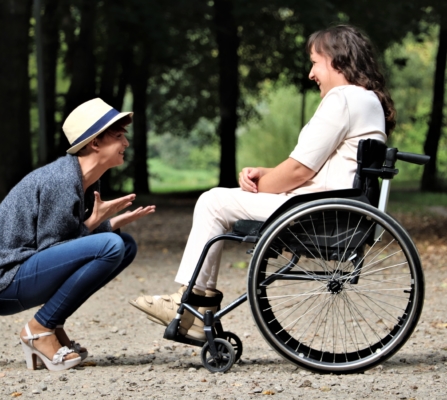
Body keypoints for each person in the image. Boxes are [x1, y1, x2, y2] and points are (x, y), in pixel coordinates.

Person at [130, 24, 395, 340]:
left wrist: (259, 185)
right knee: (219, 200)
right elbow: (319, 169)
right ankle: (196, 303)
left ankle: (193, 305)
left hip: (319, 212)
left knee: (213, 201)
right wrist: (266, 173)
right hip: (336, 207)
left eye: (314, 62)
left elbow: (299, 172)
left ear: (336, 60)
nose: (311, 74)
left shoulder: (344, 98)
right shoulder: (368, 101)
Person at [0, 98, 155, 371]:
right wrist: (96, 224)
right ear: (95, 143)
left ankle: (50, 324)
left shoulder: (83, 179)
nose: (126, 143)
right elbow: (54, 248)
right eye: (118, 136)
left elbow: (66, 244)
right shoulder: (61, 180)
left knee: (124, 245)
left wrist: (108, 224)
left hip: (24, 272)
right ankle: (39, 330)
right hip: (1, 283)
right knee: (113, 245)